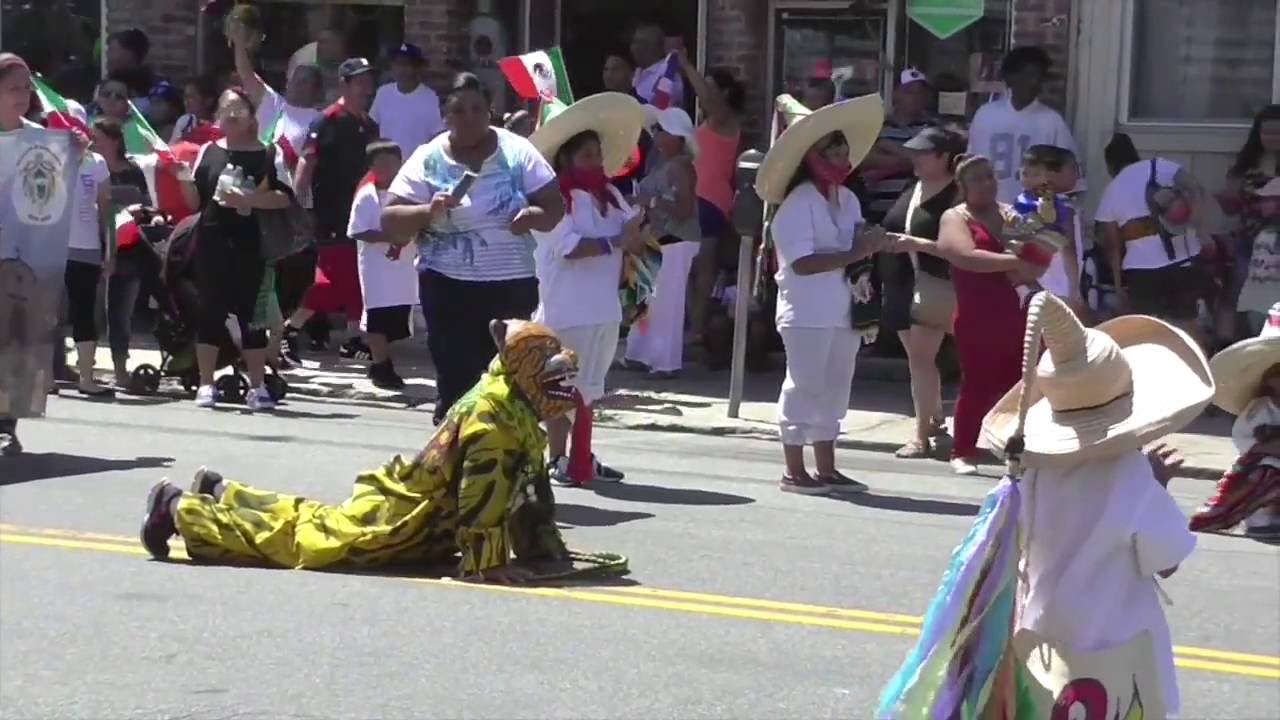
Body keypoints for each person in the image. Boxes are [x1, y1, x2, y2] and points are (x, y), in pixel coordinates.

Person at [880, 291, 1210, 719]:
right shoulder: (1132, 474)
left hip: (1042, 631)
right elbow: (1165, 560)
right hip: (1117, 640)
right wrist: (1159, 485)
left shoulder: (1032, 471)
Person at [139, 319, 577, 585]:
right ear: (523, 369)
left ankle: (224, 493)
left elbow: (527, 490)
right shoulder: (495, 417)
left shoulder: (511, 405)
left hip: (413, 510)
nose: (561, 371)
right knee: (304, 543)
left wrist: (542, 548)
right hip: (403, 520)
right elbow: (482, 496)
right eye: (548, 359)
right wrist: (486, 563)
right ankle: (179, 510)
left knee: (316, 521)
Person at [381, 72, 565, 425]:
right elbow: (390, 219)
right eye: (459, 110)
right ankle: (455, 454)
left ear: (490, 112)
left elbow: (554, 207)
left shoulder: (518, 152)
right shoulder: (427, 158)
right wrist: (428, 210)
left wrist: (532, 215)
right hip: (447, 285)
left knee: (507, 377)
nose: (469, 118)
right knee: (457, 377)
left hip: (511, 284)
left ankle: (503, 459)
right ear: (445, 116)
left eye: (477, 109)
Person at [753, 94, 891, 495]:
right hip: (806, 310)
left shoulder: (846, 198)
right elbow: (802, 263)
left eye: (844, 148)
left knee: (836, 384)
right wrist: (857, 251)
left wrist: (874, 241)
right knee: (804, 384)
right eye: (834, 149)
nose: (843, 155)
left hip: (843, 308)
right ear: (814, 156)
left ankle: (827, 468)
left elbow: (856, 241)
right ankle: (794, 470)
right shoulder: (797, 203)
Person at [528, 92, 648, 486]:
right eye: (586, 157)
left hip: (603, 309)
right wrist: (618, 241)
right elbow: (571, 248)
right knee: (562, 391)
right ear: (565, 159)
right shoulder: (554, 199)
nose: (596, 163)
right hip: (567, 308)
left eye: (597, 155)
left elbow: (635, 234)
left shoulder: (609, 194)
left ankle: (582, 457)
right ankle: (558, 459)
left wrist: (646, 221)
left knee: (590, 392)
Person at [189, 88, 294, 410]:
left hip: (253, 242)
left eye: (239, 109)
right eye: (225, 109)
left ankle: (257, 386)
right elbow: (195, 202)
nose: (232, 115)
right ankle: (206, 385)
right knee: (209, 312)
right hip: (211, 241)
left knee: (253, 316)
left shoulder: (268, 153)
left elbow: (284, 197)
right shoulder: (208, 151)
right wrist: (181, 180)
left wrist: (248, 201)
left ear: (251, 117)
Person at [937, 155, 1042, 475]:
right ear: (963, 186)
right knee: (977, 384)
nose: (986, 183)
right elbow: (966, 257)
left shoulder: (1011, 213)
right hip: (977, 315)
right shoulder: (955, 217)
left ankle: (1021, 451)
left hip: (1020, 311)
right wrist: (1012, 262)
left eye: (990, 177)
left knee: (1025, 386)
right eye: (978, 179)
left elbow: (1037, 254)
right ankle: (963, 450)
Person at [285, 58, 379, 361]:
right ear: (344, 84)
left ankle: (354, 336)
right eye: (359, 81)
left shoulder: (368, 125)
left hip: (361, 212)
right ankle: (291, 327)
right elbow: (306, 162)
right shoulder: (326, 120)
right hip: (330, 212)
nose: (366, 87)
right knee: (330, 277)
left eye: (368, 80)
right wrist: (299, 206)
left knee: (355, 274)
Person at [882, 127, 963, 459]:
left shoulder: (957, 194)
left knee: (920, 360)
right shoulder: (912, 187)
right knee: (920, 362)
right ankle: (934, 421)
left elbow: (960, 248)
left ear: (944, 157)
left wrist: (916, 244)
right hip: (902, 281)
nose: (915, 157)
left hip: (936, 282)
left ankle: (920, 435)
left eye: (924, 153)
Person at [1097, 135, 1207, 346]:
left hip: (1142, 270)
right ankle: (1204, 372)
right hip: (1184, 260)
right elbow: (1196, 187)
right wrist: (1199, 229)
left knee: (1147, 333)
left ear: (1110, 165)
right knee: (1187, 325)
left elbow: (1112, 246)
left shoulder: (1112, 190)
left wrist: (1119, 286)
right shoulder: (1160, 166)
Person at [621, 105, 701, 378]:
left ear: (678, 137)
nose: (656, 135)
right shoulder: (662, 164)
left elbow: (685, 209)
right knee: (648, 299)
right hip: (657, 239)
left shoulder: (681, 167)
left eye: (662, 130)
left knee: (667, 302)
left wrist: (649, 201)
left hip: (675, 240)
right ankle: (640, 354)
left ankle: (665, 362)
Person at [1191, 302, 1280, 539]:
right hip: (1263, 463)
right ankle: (1261, 516)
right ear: (1271, 379)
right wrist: (1268, 446)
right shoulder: (1261, 409)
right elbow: (1246, 439)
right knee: (1268, 472)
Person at [675, 49, 744, 342]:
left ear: (725, 93)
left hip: (711, 201)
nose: (706, 92)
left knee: (703, 265)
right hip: (695, 198)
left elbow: (709, 100)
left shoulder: (725, 119)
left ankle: (698, 328)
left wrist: (685, 65)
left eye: (712, 86)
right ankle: (690, 324)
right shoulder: (709, 122)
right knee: (687, 267)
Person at [966, 46, 1080, 204]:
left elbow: (1071, 180)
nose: (1033, 82)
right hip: (989, 209)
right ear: (1010, 77)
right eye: (1027, 75)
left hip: (1033, 215)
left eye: (1038, 77)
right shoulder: (985, 115)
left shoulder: (1052, 122)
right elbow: (971, 165)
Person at [347, 140, 416, 390]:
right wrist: (389, 237)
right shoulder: (367, 195)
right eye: (381, 162)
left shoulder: (410, 193)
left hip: (403, 266)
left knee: (396, 318)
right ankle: (381, 365)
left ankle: (383, 360)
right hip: (377, 266)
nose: (388, 167)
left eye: (392, 162)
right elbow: (357, 231)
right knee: (377, 316)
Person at [63, 117, 117, 398]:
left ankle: (86, 377)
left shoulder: (96, 163)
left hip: (86, 248)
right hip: (52, 246)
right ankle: (44, 378)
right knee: (48, 314)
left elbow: (105, 209)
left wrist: (110, 249)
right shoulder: (52, 158)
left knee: (85, 312)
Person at [1225, 106, 1280, 336]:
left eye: (1278, 131)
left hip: (1276, 243)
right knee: (1242, 294)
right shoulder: (1246, 163)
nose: (1272, 137)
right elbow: (1231, 201)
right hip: (1248, 240)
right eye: (1266, 131)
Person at [859, 69, 936, 225]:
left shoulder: (932, 129)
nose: (915, 98)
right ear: (896, 94)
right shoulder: (877, 127)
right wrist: (909, 160)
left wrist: (886, 146)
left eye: (920, 93)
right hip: (877, 212)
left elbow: (930, 163)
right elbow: (863, 160)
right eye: (909, 92)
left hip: (917, 214)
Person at [1010, 145, 1082, 309]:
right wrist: (1075, 290)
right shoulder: (1063, 206)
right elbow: (1068, 249)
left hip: (1030, 283)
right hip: (1058, 283)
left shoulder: (1021, 204)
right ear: (1049, 174)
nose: (1077, 175)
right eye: (1072, 169)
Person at [370, 43, 443, 156]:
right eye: (397, 64)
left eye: (407, 64)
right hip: (386, 165)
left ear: (417, 68)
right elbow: (372, 127)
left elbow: (437, 136)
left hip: (416, 167)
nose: (401, 70)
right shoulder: (383, 93)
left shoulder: (430, 98)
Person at [630, 22, 683, 108]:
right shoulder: (636, 72)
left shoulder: (669, 73)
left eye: (637, 42)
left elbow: (660, 107)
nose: (632, 47)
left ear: (653, 46)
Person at [104, 28, 156, 113]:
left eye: (112, 49)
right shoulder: (104, 86)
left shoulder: (155, 90)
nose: (107, 54)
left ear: (130, 54)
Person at [170, 75, 221, 145]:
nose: (186, 102)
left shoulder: (220, 124)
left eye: (191, 97)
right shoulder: (184, 121)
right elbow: (172, 147)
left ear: (209, 100)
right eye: (185, 97)